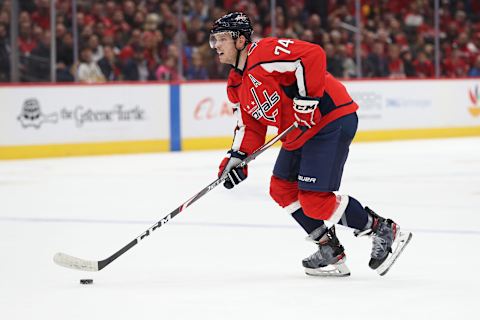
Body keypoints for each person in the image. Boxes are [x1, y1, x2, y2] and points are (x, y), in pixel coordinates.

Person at [210, 12, 412, 277]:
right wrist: (238, 158)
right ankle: (329, 248)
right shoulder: (235, 84)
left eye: (222, 39)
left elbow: (312, 54)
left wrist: (307, 100)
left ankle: (382, 228)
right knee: (281, 188)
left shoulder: (265, 52)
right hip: (299, 132)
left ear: (240, 41)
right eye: (215, 40)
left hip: (329, 119)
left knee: (314, 200)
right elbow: (251, 126)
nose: (216, 46)